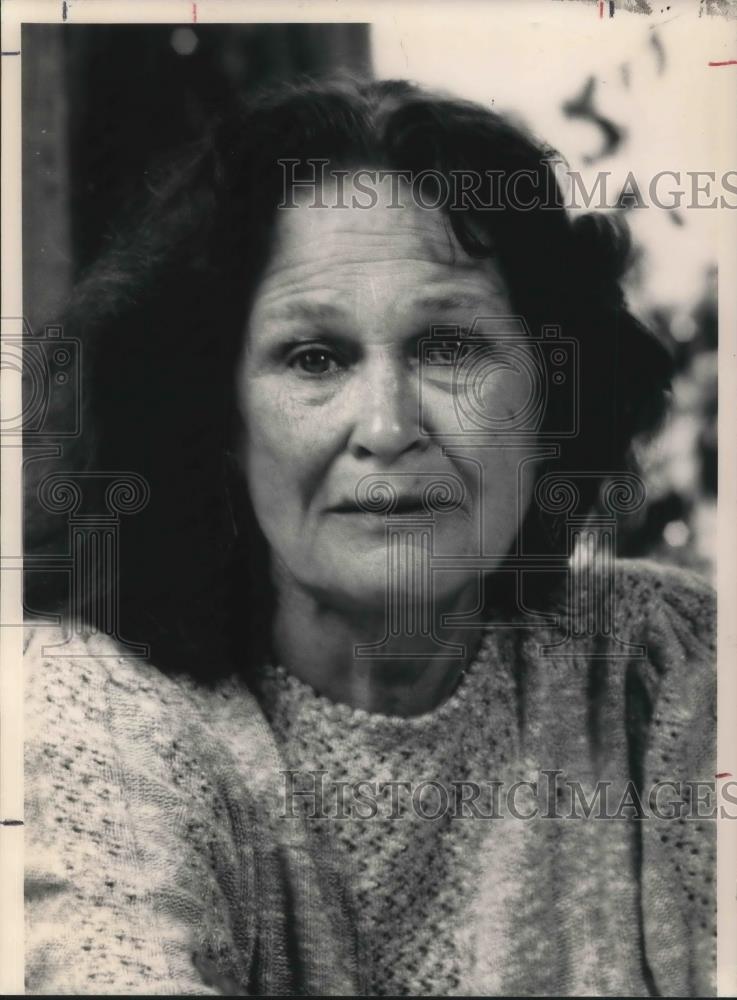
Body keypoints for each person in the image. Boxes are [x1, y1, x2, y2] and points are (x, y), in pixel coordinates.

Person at [23, 76, 716, 996]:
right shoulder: (89, 709)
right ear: (217, 420)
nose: (386, 427)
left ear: (553, 400)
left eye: (449, 348)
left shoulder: (666, 664)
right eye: (315, 358)